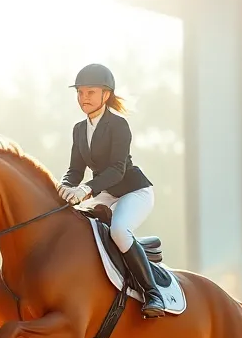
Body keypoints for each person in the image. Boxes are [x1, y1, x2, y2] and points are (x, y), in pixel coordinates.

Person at [57, 63, 165, 318]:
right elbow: (74, 169)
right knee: (72, 224)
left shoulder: (119, 126)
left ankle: (153, 294)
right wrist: (64, 187)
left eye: (90, 92)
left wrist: (85, 189)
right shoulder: (79, 129)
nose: (84, 98)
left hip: (134, 191)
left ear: (106, 95)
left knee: (118, 229)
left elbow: (117, 169)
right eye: (80, 92)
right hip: (105, 192)